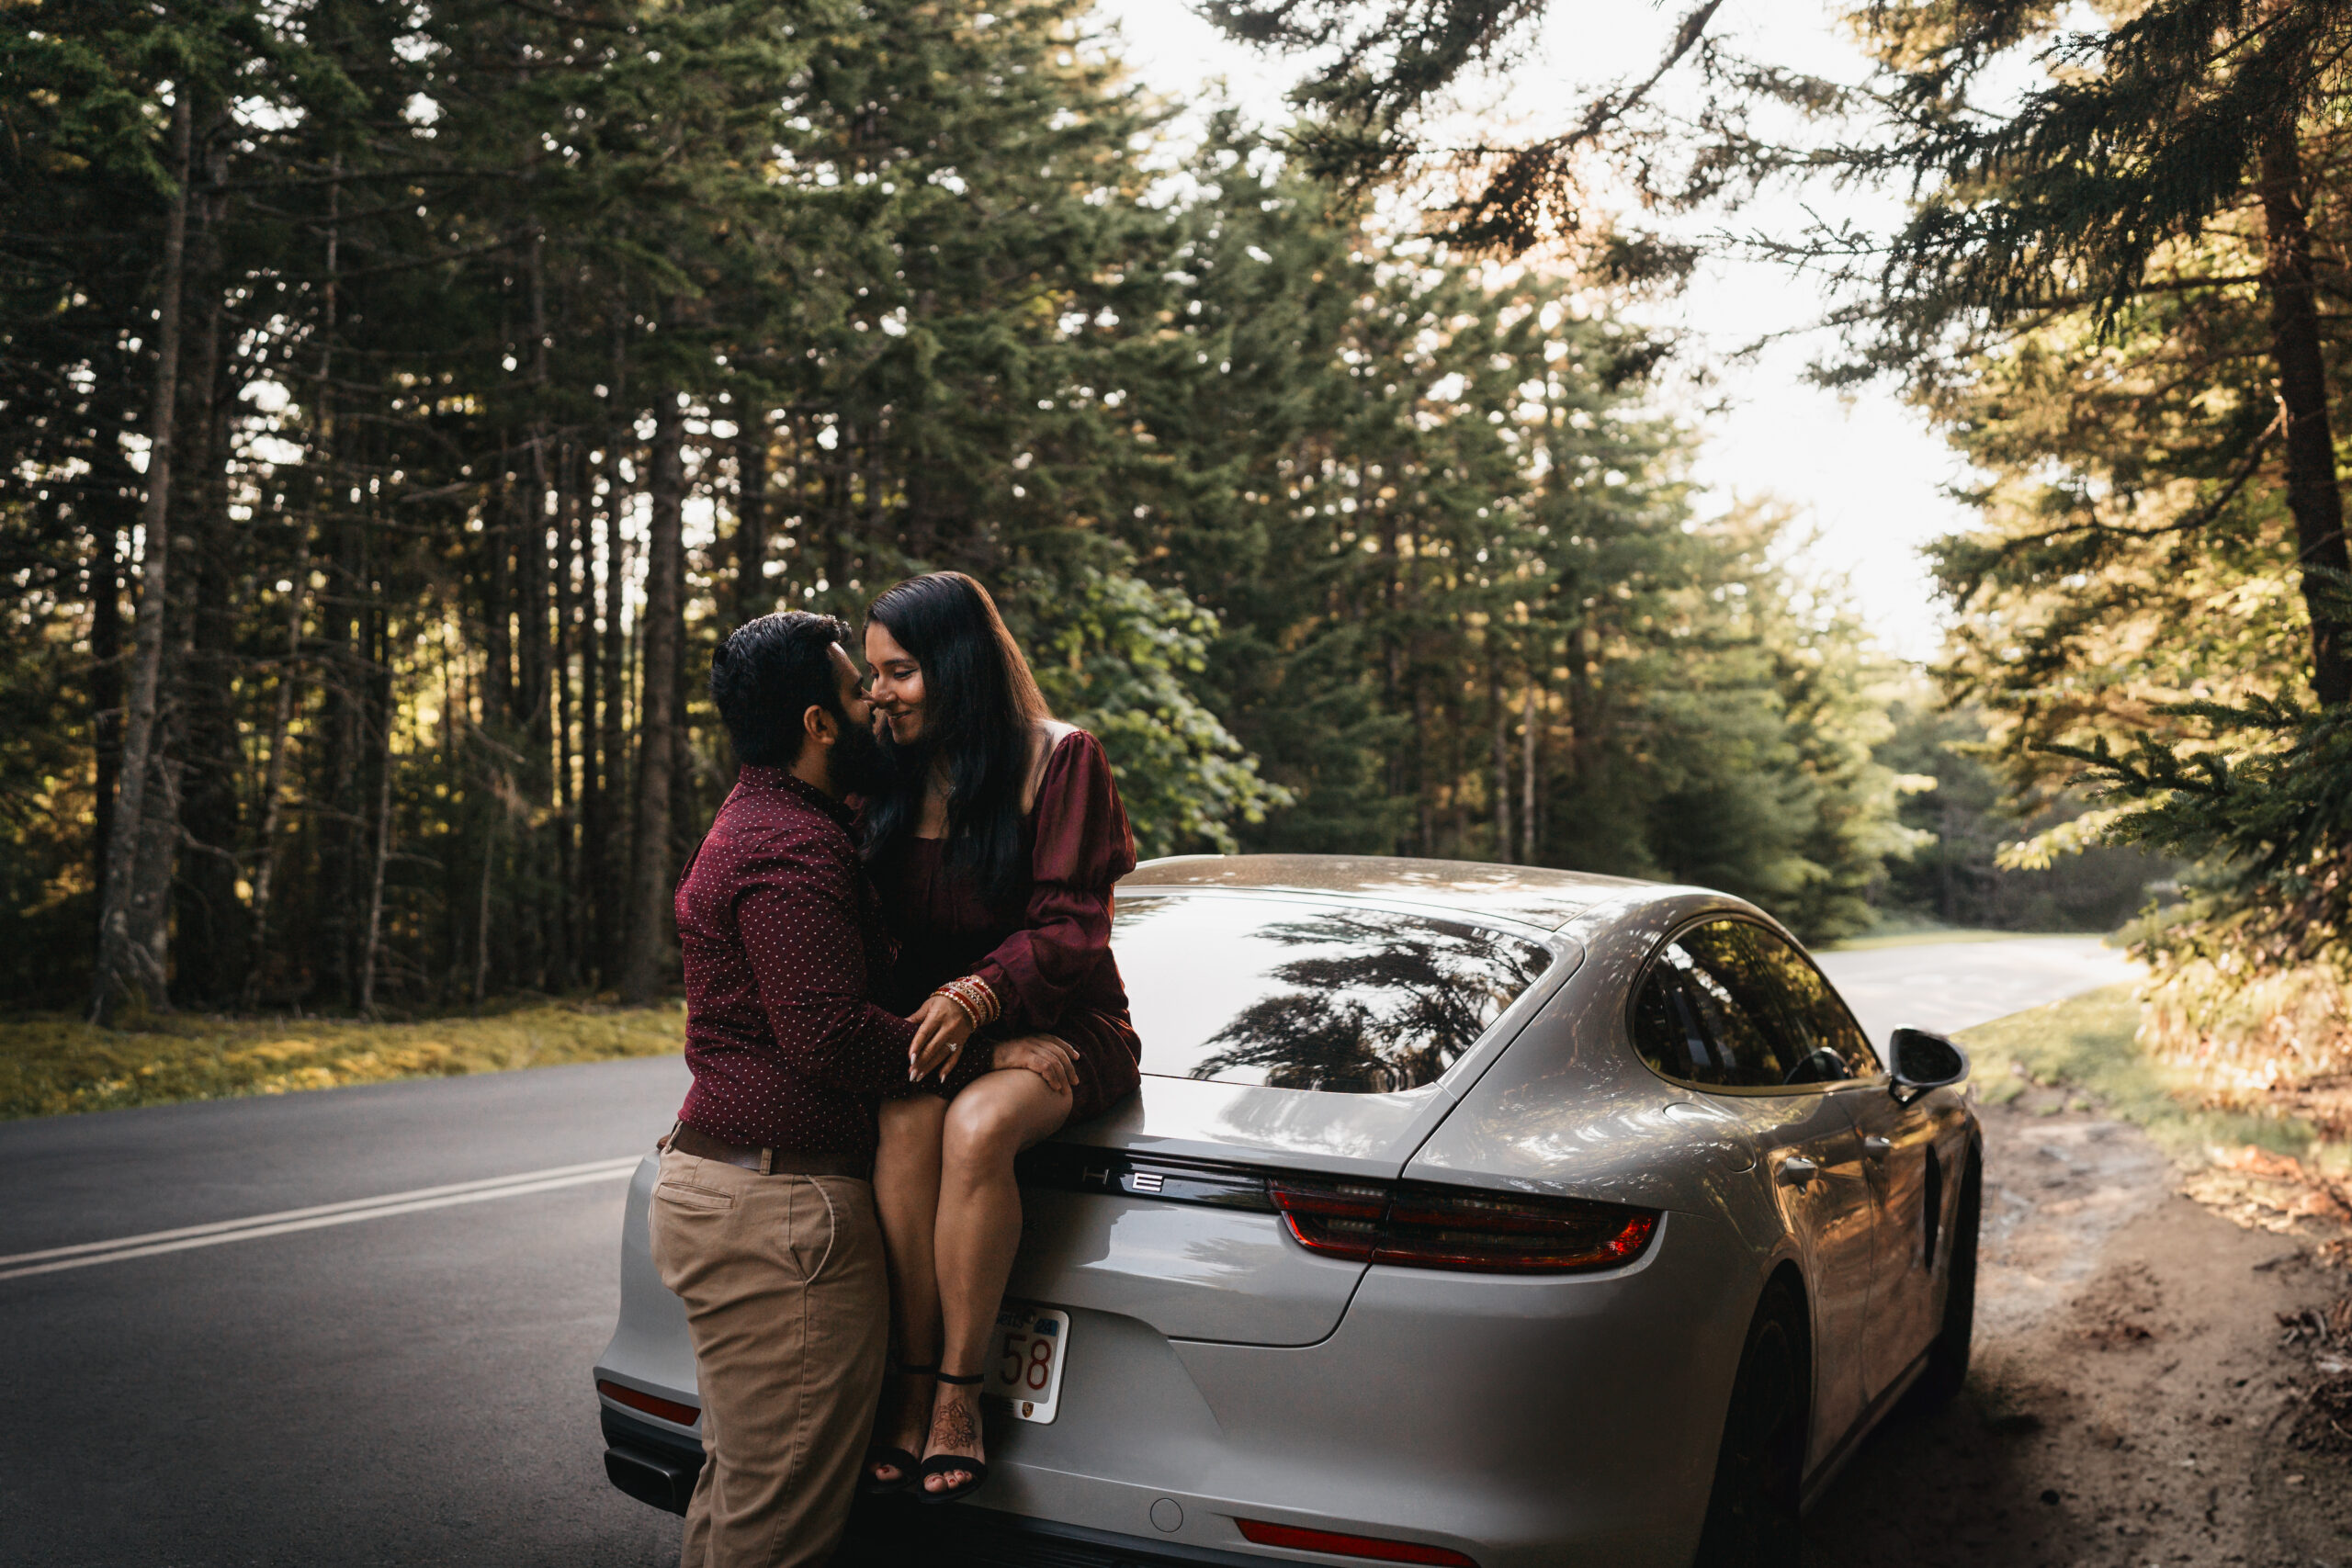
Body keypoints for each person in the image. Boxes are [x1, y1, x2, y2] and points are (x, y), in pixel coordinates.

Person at [854, 571, 1143, 1504]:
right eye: (871, 676)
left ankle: (953, 1396)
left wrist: (985, 1003)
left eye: (898, 672)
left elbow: (1069, 928)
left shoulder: (1060, 759)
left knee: (976, 1127)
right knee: (905, 1120)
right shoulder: (880, 773)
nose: (879, 695)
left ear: (958, 665)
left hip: (1067, 1024)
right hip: (943, 1041)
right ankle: (908, 1371)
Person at [648, 610, 914, 1568]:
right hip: (781, 1219)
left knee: (742, 1496)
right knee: (776, 1532)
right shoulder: (789, 848)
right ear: (818, 723)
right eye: (858, 690)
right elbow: (830, 1037)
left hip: (734, 1194)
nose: (877, 703)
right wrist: (978, 1036)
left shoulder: (762, 819)